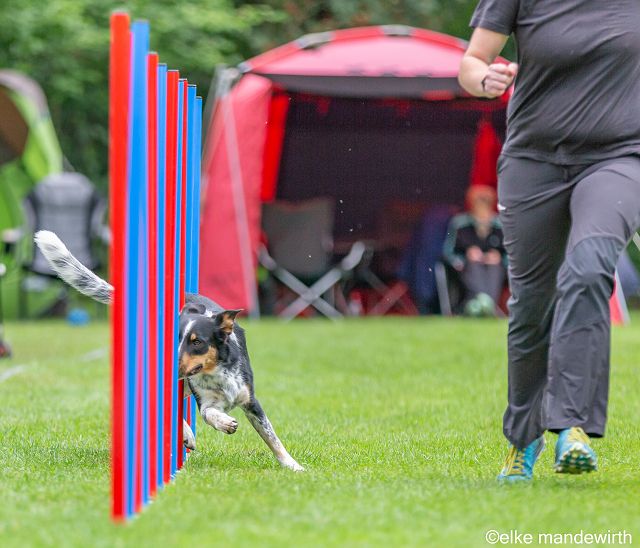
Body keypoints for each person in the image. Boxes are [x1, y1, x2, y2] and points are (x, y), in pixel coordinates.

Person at [459, 0, 640, 481]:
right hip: (533, 161)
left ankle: (571, 426)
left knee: (589, 266)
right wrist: (484, 78)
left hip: (620, 157)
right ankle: (524, 439)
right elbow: (471, 62)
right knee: (532, 307)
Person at [443, 185, 506, 316]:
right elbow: (448, 252)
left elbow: (510, 255)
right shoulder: (459, 223)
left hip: (495, 270)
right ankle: (485, 304)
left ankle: (483, 304)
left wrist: (498, 257)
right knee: (474, 265)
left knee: (494, 267)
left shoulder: (500, 224)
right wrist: (464, 258)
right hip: (465, 270)